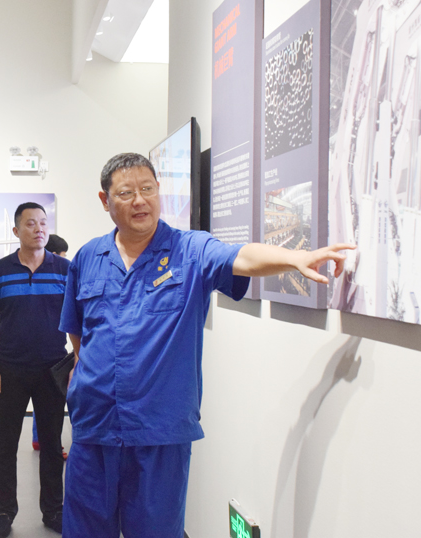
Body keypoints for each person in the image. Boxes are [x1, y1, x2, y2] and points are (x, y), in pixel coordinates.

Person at [59, 153, 355, 538]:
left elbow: (241, 257)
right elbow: (78, 332)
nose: (140, 201)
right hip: (93, 427)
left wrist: (295, 257)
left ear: (158, 190)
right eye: (126, 193)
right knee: (84, 530)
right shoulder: (88, 257)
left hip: (159, 431)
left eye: (147, 189)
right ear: (105, 201)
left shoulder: (190, 250)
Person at [0, 202, 70, 537]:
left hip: (53, 370)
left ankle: (54, 510)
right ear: (16, 230)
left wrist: (78, 360)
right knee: (5, 446)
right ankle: (4, 512)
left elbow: (79, 318)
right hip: (10, 370)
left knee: (52, 444)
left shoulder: (65, 269)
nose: (39, 229)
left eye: (43, 223)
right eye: (31, 223)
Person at [32, 233, 70, 452]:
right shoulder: (57, 275)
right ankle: (48, 442)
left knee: (43, 401)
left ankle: (40, 439)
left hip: (52, 349)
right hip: (50, 352)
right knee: (49, 401)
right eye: (63, 255)